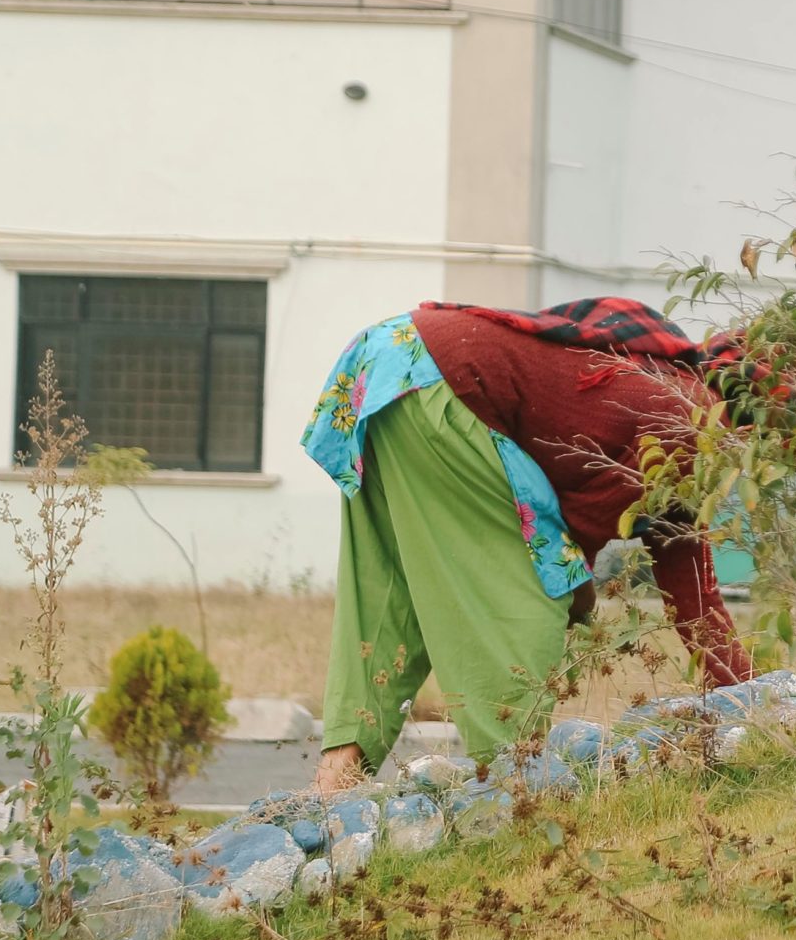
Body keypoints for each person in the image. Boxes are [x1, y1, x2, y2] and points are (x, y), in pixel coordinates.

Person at [302, 298, 755, 792]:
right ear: (753, 424)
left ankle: (330, 794)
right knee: (528, 602)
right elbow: (574, 539)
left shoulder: (664, 377)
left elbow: (689, 586)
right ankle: (512, 791)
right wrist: (758, 710)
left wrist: (753, 705)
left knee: (389, 593)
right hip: (447, 384)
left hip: (386, 361)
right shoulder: (696, 425)